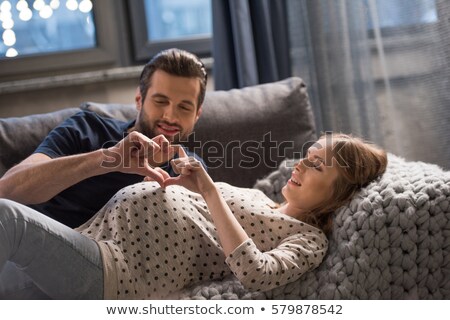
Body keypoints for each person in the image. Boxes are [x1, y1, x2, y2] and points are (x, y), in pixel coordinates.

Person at [0, 133, 388, 299]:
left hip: (118, 277)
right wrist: (173, 177)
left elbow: (257, 274)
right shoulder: (260, 198)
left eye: (317, 165)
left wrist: (209, 189)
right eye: (307, 154)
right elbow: (193, 211)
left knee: (8, 219)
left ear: (339, 196)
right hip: (94, 239)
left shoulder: (309, 239)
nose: (301, 163)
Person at [0, 48, 207, 299]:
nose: (169, 115)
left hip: (105, 278)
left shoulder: (191, 171)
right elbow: (7, 190)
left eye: (184, 107)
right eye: (160, 101)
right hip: (28, 262)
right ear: (139, 100)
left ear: (197, 115)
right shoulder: (87, 128)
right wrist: (106, 159)